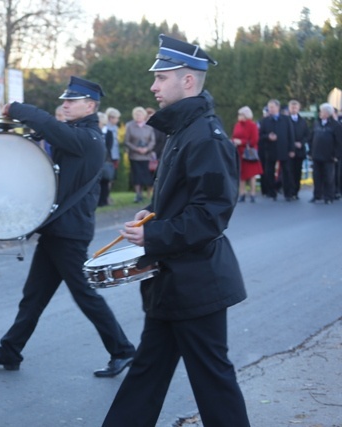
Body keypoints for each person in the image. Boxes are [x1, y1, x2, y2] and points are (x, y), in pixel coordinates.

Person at [102, 35, 250, 427]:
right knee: (146, 374)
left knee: (213, 384)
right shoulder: (184, 130)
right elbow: (180, 200)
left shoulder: (206, 136)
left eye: (161, 77)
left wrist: (153, 236)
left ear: (187, 82)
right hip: (173, 280)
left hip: (197, 282)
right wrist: (150, 214)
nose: (153, 86)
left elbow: (211, 214)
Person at [0, 76, 136, 378]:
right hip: (58, 230)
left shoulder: (89, 139)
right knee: (34, 295)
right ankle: (11, 348)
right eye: (64, 101)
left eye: (70, 101)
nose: (64, 105)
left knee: (85, 295)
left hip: (70, 233)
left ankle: (123, 350)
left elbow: (50, 126)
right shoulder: (76, 133)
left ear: (90, 106)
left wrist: (18, 108)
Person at [258, 99, 295, 201]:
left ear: (278, 108)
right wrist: (268, 137)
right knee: (269, 171)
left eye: (272, 107)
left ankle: (288, 193)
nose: (271, 109)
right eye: (269, 107)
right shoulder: (265, 121)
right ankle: (272, 192)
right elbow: (260, 136)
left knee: (287, 171)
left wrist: (292, 149)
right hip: (270, 150)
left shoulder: (286, 119)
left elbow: (291, 135)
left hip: (284, 149)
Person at [308, 103, 342, 204]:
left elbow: (339, 142)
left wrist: (336, 155)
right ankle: (317, 195)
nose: (320, 113)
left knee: (329, 177)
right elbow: (311, 138)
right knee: (316, 176)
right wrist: (310, 152)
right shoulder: (316, 123)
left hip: (329, 156)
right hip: (316, 155)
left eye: (321, 111)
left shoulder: (336, 125)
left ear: (327, 113)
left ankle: (329, 196)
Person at [232, 106, 263, 202]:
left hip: (249, 153)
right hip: (239, 152)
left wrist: (241, 142)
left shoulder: (252, 125)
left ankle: (252, 194)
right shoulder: (237, 125)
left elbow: (254, 140)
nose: (239, 116)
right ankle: (242, 194)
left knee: (251, 175)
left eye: (241, 114)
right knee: (241, 174)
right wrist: (234, 141)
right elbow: (234, 136)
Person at [124, 106, 155, 202]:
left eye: (140, 114)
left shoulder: (149, 126)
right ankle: (138, 194)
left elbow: (152, 141)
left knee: (146, 176)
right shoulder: (130, 126)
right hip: (135, 156)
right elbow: (127, 141)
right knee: (136, 176)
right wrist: (136, 149)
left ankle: (149, 194)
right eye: (136, 114)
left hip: (146, 156)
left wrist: (147, 149)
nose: (138, 116)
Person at [288, 100, 310, 200]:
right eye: (292, 107)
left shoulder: (302, 121)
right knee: (289, 172)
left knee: (297, 172)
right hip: (289, 151)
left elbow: (307, 135)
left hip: (300, 150)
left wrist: (301, 143)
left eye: (295, 107)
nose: (294, 109)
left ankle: (296, 191)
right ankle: (289, 191)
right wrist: (292, 144)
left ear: (298, 108)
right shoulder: (286, 120)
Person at [97, 112, 115, 207]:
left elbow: (109, 147)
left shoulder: (109, 133)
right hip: (96, 160)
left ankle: (104, 200)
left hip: (105, 159)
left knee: (105, 181)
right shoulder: (94, 131)